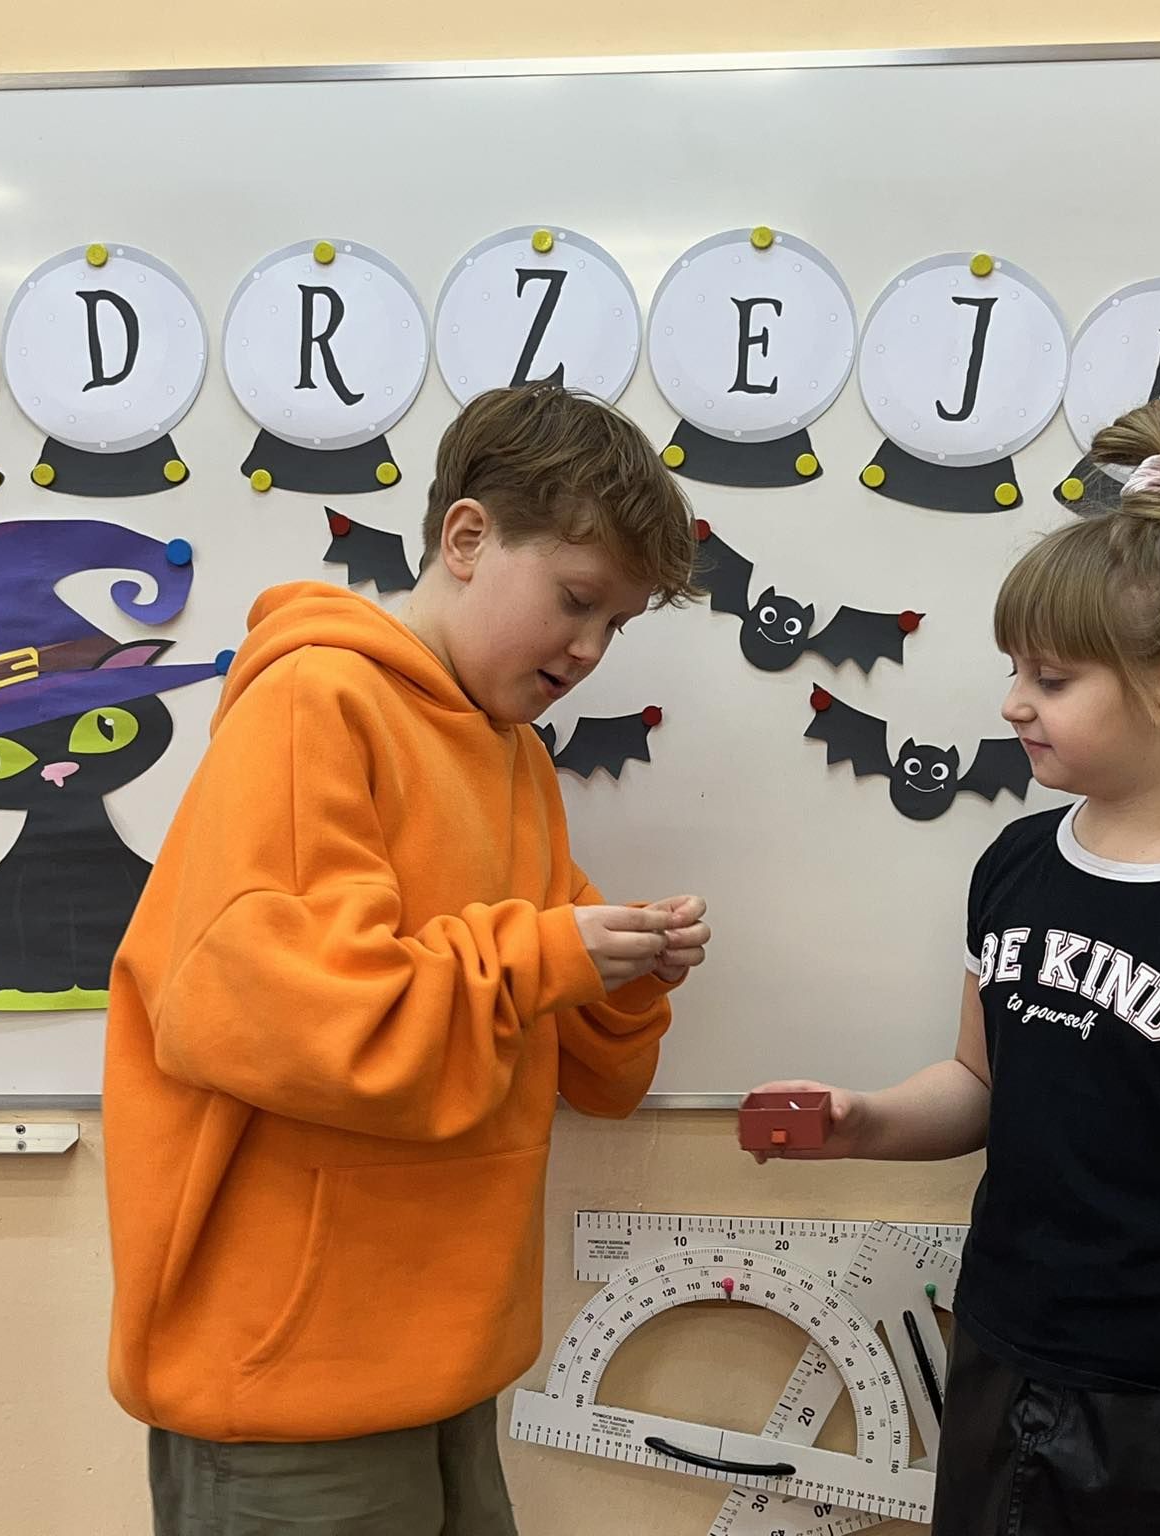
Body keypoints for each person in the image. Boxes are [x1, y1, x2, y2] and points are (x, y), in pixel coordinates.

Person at [750, 399, 1160, 1536]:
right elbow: (979, 1083)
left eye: (1049, 678)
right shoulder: (1013, 865)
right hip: (1002, 1361)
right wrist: (863, 1122)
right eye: (1014, 670)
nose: (1011, 703)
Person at [106, 383, 712, 1535]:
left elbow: (595, 1074)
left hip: (442, 1360)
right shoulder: (314, 699)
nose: (589, 649)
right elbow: (290, 1017)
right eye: (576, 600)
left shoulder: (513, 758)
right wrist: (545, 957)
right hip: (288, 1384)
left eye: (617, 624)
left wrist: (625, 973)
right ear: (466, 538)